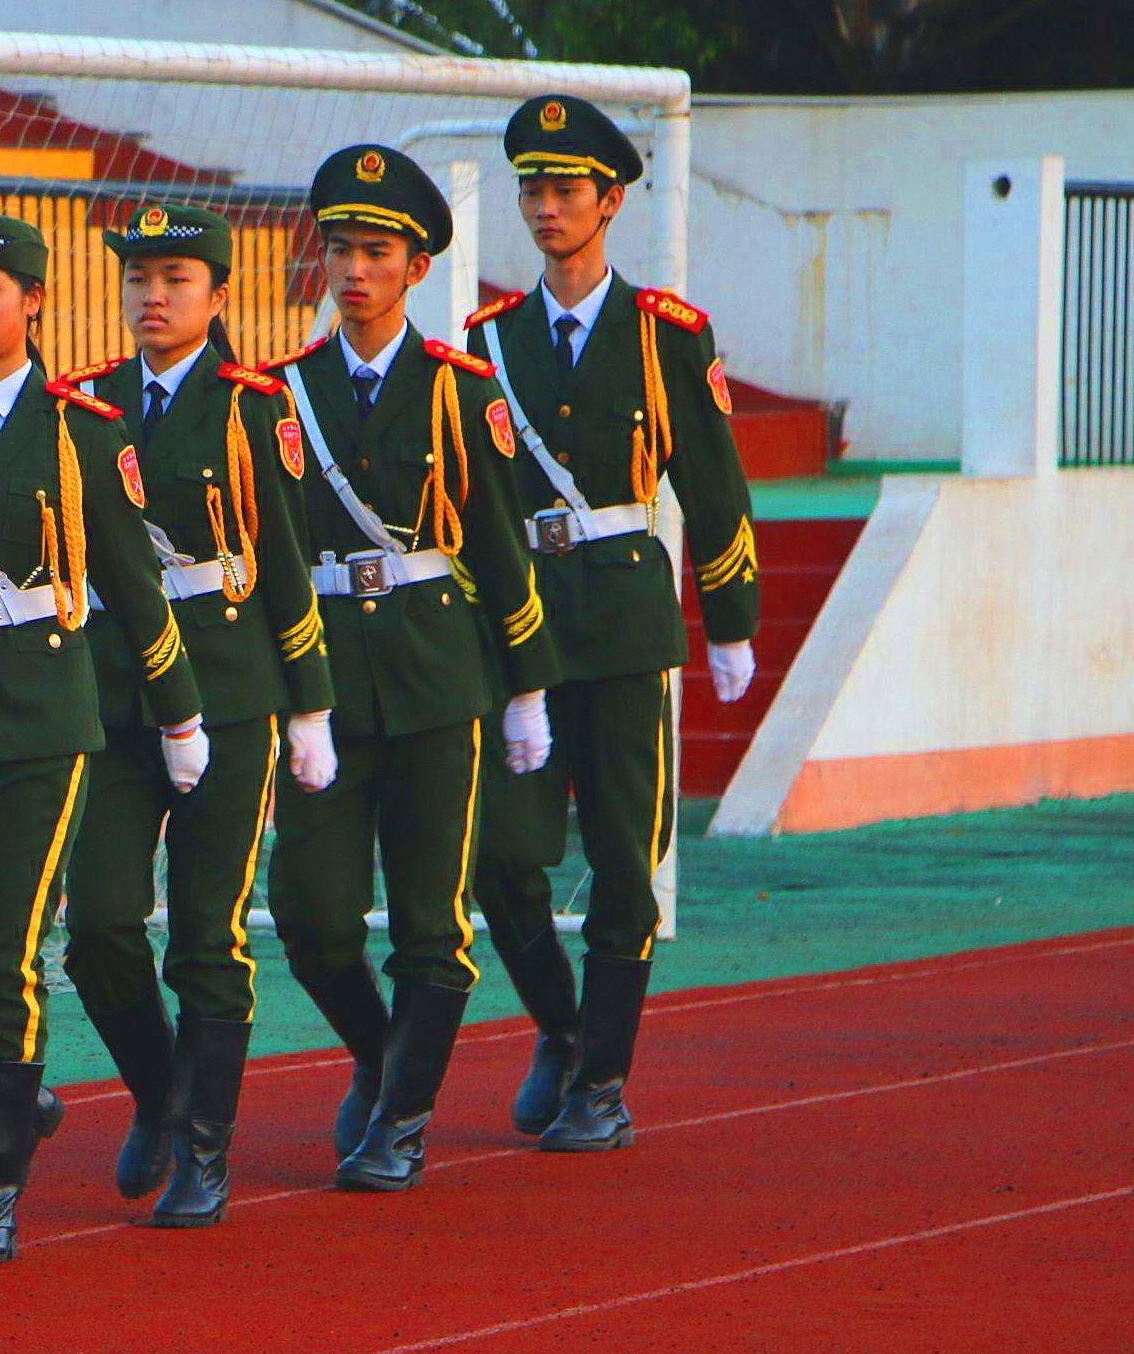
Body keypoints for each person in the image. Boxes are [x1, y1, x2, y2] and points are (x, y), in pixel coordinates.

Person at [0, 212, 205, 1264]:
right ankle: (13, 1099)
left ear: (34, 302)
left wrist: (179, 713)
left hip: (40, 719)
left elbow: (134, 586)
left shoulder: (82, 432)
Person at [263, 147, 564, 1192]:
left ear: (415, 268)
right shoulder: (280, 393)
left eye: (376, 254)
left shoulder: (459, 390)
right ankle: (383, 1053)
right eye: (340, 250)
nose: (354, 270)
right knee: (309, 914)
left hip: (439, 679)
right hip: (324, 682)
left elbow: (500, 546)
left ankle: (400, 1119)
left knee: (432, 921)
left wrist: (525, 689)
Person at [468, 96, 760, 1152]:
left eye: (564, 190)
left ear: (610, 202)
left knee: (624, 862)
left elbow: (713, 481)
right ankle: (562, 1027)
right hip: (522, 631)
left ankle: (601, 1084)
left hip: (627, 624)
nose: (544, 208)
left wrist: (729, 620)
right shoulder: (489, 342)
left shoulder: (665, 333)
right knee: (501, 858)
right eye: (531, 190)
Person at [59, 203, 337, 1227]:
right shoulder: (84, 405)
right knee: (96, 922)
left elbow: (287, 563)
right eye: (138, 277)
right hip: (115, 693)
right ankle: (159, 1093)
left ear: (218, 295)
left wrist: (309, 705)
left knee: (206, 932)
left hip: (227, 689)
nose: (152, 295)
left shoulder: (253, 407)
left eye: (175, 278)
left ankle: (203, 1152)